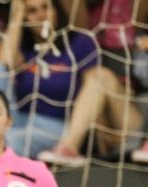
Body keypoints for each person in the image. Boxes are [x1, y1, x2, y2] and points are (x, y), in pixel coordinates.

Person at [0, 0, 98, 163]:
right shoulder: (22, 46)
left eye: (45, 8)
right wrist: (17, 16)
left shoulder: (79, 42)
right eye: (32, 11)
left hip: (57, 126)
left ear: (56, 11)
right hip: (17, 117)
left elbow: (93, 88)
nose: (41, 15)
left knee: (14, 139)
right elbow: (2, 65)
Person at [37, 0, 148, 166]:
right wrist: (101, 121)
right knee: (99, 76)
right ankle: (68, 148)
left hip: (142, 119)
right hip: (121, 119)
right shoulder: (92, 41)